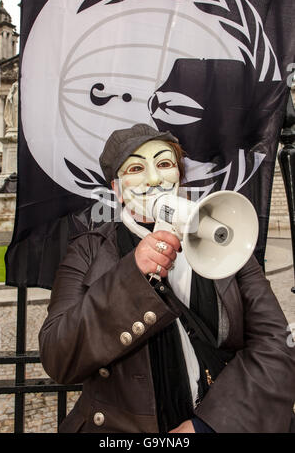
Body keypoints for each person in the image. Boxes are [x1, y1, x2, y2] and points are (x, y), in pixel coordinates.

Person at [39, 123, 295, 433]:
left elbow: (276, 344)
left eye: (164, 164)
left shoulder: (228, 245)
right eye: (136, 167)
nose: (155, 178)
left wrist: (208, 426)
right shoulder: (88, 250)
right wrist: (130, 275)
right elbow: (57, 356)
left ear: (179, 177)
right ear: (118, 190)